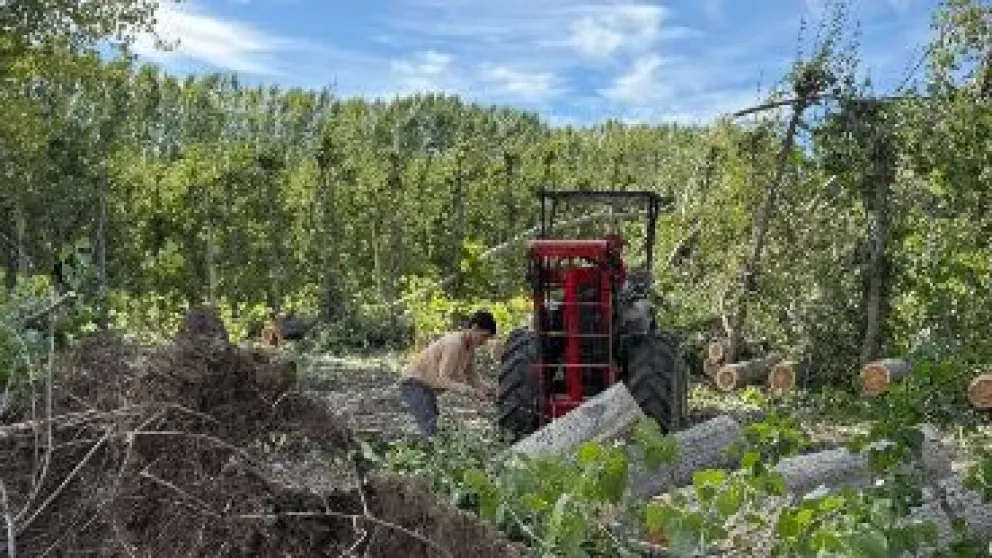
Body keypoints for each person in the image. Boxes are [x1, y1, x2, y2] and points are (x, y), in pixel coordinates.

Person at [399, 310, 498, 442]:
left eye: (488, 338)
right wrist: (472, 392)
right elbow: (442, 380)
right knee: (429, 425)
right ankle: (427, 454)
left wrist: (488, 391)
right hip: (414, 382)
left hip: (426, 385)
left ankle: (429, 451)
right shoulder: (454, 344)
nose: (484, 342)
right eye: (484, 336)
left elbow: (472, 376)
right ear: (474, 328)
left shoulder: (469, 349)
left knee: (433, 422)